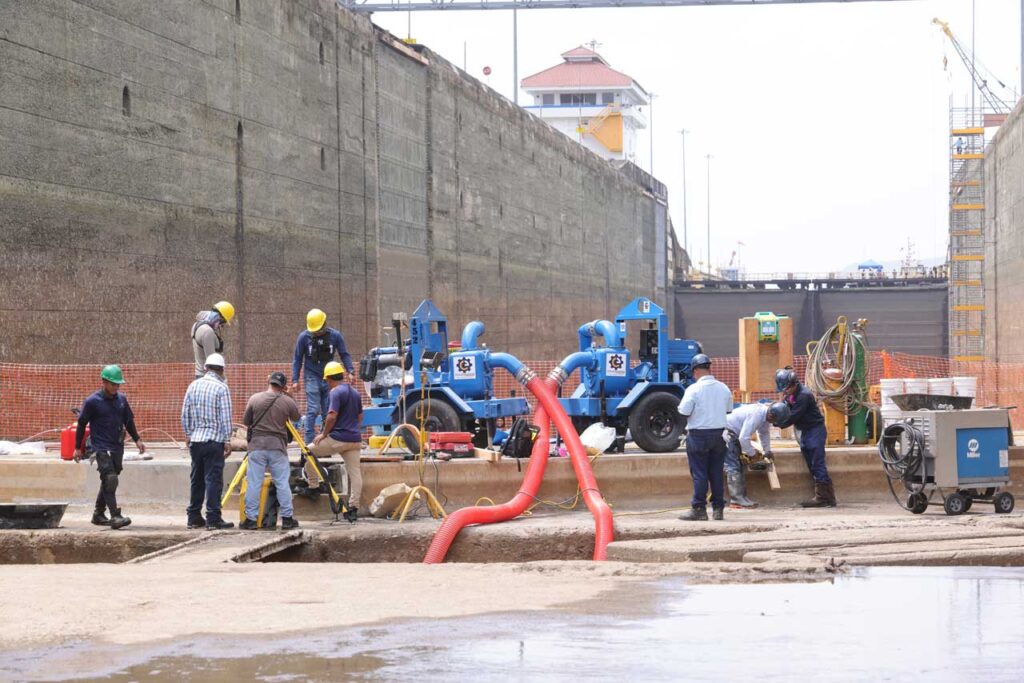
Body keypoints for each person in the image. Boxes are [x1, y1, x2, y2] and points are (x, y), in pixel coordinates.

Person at [73, 365, 146, 529]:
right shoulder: (92, 402)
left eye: (118, 385)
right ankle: (115, 515)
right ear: (104, 382)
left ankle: (98, 513)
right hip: (101, 447)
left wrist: (137, 439)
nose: (116, 387)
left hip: (117, 446)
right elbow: (81, 423)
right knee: (110, 479)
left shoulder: (121, 399)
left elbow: (128, 421)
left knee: (109, 480)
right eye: (113, 384)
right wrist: (78, 447)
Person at [240, 372, 301, 530]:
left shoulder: (255, 398)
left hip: (257, 447)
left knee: (254, 483)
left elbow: (247, 421)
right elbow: (296, 417)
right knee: (282, 483)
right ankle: (287, 519)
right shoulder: (287, 401)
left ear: (269, 382)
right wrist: (289, 396)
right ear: (283, 386)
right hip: (277, 447)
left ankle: (251, 520)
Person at [676, 354, 733, 521]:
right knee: (716, 472)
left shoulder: (693, 389)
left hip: (698, 435)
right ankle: (718, 509)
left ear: (695, 371)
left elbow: (684, 411)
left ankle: (699, 509)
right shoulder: (724, 388)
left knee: (700, 473)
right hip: (719, 436)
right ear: (709, 368)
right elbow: (728, 410)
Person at [181, 353, 235, 530]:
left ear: (206, 368)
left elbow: (185, 414)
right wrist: (227, 439)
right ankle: (213, 518)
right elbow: (225, 417)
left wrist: (189, 434)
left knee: (197, 479)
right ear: (221, 370)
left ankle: (193, 516)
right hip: (213, 441)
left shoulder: (193, 386)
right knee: (213, 479)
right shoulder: (221, 388)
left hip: (196, 441)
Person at [775, 368, 836, 508]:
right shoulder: (790, 395)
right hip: (805, 431)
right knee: (811, 464)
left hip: (815, 430)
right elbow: (785, 408)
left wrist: (778, 423)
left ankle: (825, 498)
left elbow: (793, 416)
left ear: (794, 384)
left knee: (817, 463)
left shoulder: (804, 395)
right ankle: (823, 496)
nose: (784, 392)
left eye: (786, 389)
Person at [310, 361, 362, 523]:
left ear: (329, 379)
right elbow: (360, 417)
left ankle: (313, 486)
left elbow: (332, 415)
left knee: (308, 452)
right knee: (355, 474)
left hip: (337, 439)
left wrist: (323, 434)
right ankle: (353, 508)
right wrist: (352, 429)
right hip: (354, 440)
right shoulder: (355, 393)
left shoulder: (335, 393)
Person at [292, 308, 354, 444]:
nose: (317, 332)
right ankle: (309, 443)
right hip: (311, 376)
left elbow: (344, 353)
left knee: (328, 411)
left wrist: (350, 370)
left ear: (324, 323)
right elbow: (297, 358)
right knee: (313, 409)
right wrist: (295, 379)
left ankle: (324, 442)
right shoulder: (304, 337)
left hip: (329, 378)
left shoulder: (335, 336)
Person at [723, 401, 790, 509]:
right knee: (733, 466)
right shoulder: (757, 414)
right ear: (771, 415)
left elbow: (763, 433)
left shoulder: (765, 415)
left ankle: (741, 498)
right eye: (773, 421)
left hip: (732, 434)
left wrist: (767, 451)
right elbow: (743, 438)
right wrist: (753, 454)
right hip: (727, 433)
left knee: (738, 466)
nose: (772, 423)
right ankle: (736, 500)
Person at [191, 301, 235, 379]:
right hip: (208, 377)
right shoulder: (208, 331)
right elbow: (212, 361)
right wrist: (223, 379)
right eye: (223, 322)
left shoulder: (196, 325)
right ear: (221, 318)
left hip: (200, 375)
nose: (221, 326)